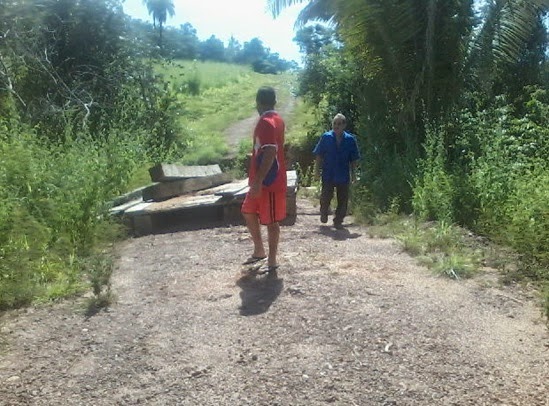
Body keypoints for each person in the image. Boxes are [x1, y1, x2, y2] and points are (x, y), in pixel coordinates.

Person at [241, 86, 287, 273]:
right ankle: (259, 250)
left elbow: (270, 151)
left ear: (258, 102)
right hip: (260, 180)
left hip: (269, 182)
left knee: (272, 221)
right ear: (274, 101)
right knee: (248, 210)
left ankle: (272, 260)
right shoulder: (276, 120)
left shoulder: (267, 122)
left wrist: (259, 181)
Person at [313, 113, 360, 229]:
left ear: (344, 125)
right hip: (328, 173)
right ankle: (324, 211)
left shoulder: (350, 140)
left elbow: (354, 160)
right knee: (325, 196)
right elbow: (319, 155)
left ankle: (338, 220)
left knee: (343, 199)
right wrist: (316, 171)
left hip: (343, 174)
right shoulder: (326, 137)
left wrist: (354, 175)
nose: (336, 126)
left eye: (339, 124)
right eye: (334, 123)